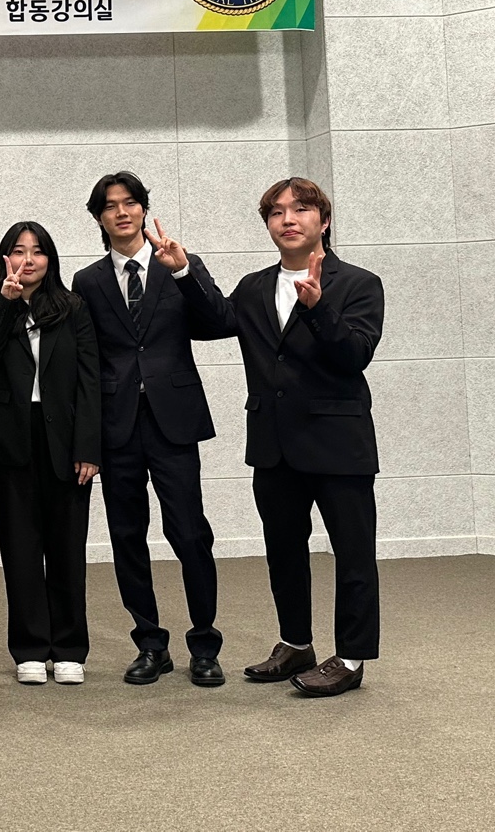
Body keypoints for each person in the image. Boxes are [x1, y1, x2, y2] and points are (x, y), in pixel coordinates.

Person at [157, 177, 384, 698]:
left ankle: (351, 658)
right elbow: (213, 321)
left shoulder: (359, 283)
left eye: (301, 209)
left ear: (324, 221)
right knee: (283, 551)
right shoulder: (255, 286)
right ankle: (296, 643)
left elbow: (355, 355)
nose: (288, 219)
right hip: (273, 444)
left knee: (353, 555)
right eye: (277, 212)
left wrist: (318, 308)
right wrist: (185, 270)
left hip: (339, 443)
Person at [70, 172, 231, 688]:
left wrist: (182, 271)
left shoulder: (179, 263)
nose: (121, 212)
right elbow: (85, 362)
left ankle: (204, 645)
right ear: (99, 218)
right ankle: (150, 644)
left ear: (143, 209)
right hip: (116, 426)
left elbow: (220, 322)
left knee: (190, 533)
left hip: (173, 422)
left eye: (130, 203)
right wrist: (86, 439)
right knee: (127, 536)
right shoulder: (88, 281)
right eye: (110, 206)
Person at [0, 222, 101, 686]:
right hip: (13, 439)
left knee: (67, 547)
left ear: (50, 259)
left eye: (38, 251)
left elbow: (90, 378)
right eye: (19, 251)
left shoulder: (73, 308)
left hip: (65, 439)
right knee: (20, 548)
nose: (28, 260)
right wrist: (7, 303)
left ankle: (69, 648)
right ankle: (28, 648)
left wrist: (88, 446)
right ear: (4, 257)